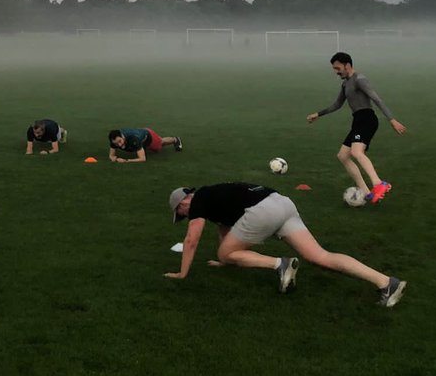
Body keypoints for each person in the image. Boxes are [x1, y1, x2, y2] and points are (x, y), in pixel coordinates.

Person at [166, 182, 406, 307]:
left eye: (181, 211)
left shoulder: (199, 200)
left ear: (185, 199)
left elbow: (191, 239)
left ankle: (280, 265)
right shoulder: (214, 200)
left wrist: (182, 273)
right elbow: (226, 231)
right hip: (282, 203)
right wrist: (224, 259)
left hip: (263, 210)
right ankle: (386, 283)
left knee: (227, 253)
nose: (185, 216)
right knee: (320, 256)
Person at [306, 52, 406, 204]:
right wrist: (318, 114)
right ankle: (367, 193)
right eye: (334, 68)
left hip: (367, 119)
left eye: (338, 68)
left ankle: (379, 184)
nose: (336, 72)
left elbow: (376, 99)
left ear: (347, 65)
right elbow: (337, 104)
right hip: (358, 121)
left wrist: (392, 119)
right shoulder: (345, 84)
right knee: (342, 156)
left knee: (356, 152)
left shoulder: (360, 80)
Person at [108, 127, 182, 162]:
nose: (119, 145)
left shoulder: (133, 139)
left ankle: (175, 139)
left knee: (159, 144)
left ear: (122, 136)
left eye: (120, 141)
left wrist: (126, 160)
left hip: (148, 135)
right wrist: (112, 158)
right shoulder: (115, 140)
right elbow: (111, 154)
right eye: (116, 143)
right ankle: (142, 147)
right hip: (140, 136)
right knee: (140, 147)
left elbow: (143, 159)